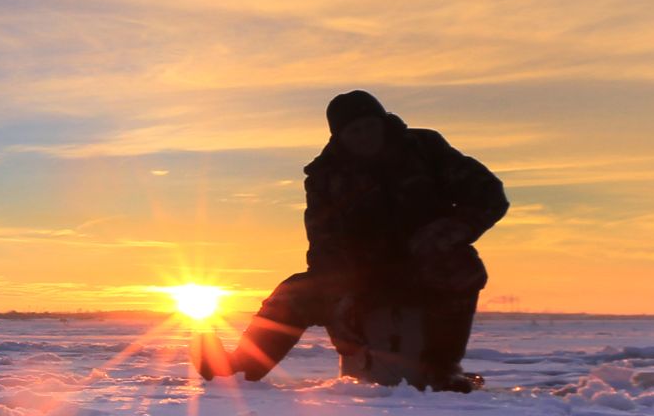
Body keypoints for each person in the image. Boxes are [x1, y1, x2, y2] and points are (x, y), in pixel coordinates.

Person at [206, 90, 508, 391]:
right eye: (355, 131)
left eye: (370, 126)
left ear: (383, 123)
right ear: (340, 137)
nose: (365, 136)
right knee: (294, 293)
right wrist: (341, 296)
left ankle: (442, 370)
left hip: (425, 263)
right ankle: (238, 371)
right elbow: (323, 244)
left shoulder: (425, 149)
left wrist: (446, 232)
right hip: (362, 276)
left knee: (460, 267)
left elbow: (489, 195)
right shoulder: (325, 176)